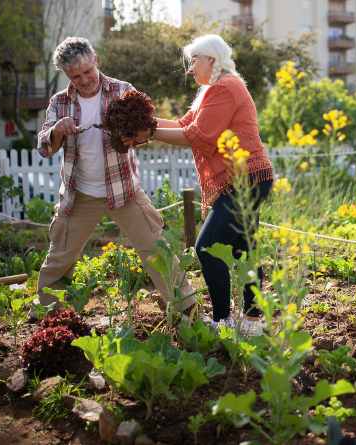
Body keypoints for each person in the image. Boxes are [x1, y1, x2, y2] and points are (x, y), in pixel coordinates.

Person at [35, 37, 195, 316]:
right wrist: (57, 130)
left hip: (124, 191)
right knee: (59, 257)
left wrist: (131, 136)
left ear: (96, 59)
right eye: (76, 76)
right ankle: (48, 317)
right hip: (80, 194)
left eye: (88, 71)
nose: (84, 80)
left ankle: (187, 310)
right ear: (66, 75)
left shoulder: (123, 91)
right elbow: (44, 147)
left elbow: (144, 133)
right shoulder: (59, 103)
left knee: (156, 248)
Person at [152, 34, 273, 335]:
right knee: (246, 249)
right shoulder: (214, 90)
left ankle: (224, 320)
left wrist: (149, 131)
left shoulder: (225, 87)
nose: (190, 68)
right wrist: (146, 123)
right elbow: (184, 125)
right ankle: (253, 321)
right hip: (246, 179)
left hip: (244, 181)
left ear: (211, 60)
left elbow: (199, 136)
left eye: (194, 60)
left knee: (206, 247)